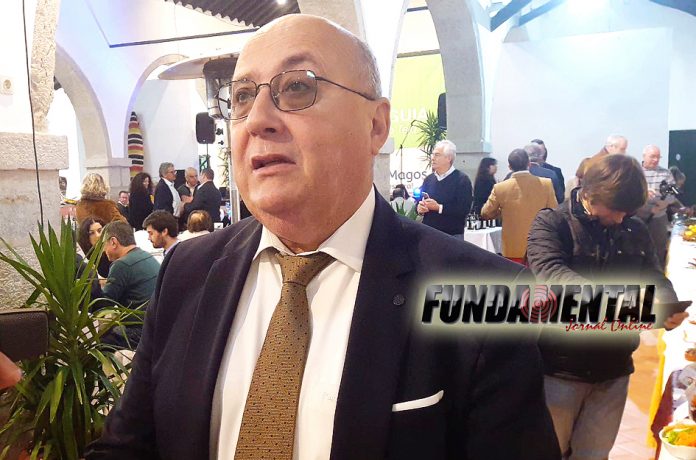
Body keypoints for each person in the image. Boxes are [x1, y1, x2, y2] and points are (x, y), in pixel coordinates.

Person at [86, 14, 559, 460]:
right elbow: (127, 447)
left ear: (376, 125)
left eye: (297, 87)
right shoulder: (187, 272)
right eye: (243, 96)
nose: (258, 119)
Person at [526, 154, 686, 460]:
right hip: (559, 365)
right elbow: (552, 274)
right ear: (591, 193)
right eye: (615, 209)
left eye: (628, 211)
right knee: (548, 451)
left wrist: (667, 302)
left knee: (594, 454)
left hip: (614, 366)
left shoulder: (634, 228)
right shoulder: (552, 223)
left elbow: (653, 275)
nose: (621, 218)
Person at [481, 149, 557, 263]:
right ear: (529, 164)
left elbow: (485, 213)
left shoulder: (500, 188)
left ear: (509, 167)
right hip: (540, 245)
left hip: (512, 248)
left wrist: (501, 211)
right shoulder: (546, 184)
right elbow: (553, 213)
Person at [100, 221, 161, 349]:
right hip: (158, 325)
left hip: (140, 331)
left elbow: (104, 303)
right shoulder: (145, 256)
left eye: (104, 245)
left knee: (102, 342)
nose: (104, 251)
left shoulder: (121, 265)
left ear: (113, 242)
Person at [417, 139, 473, 237]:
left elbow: (463, 209)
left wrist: (439, 207)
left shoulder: (462, 180)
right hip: (429, 233)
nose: (432, 158)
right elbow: (418, 200)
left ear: (448, 158)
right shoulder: (429, 179)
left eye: (437, 155)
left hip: (452, 235)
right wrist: (419, 208)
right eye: (432, 154)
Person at [636, 144, 675, 268]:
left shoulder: (666, 173)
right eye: (652, 156)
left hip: (658, 217)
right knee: (636, 247)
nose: (656, 160)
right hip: (638, 216)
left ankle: (658, 273)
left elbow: (672, 194)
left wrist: (665, 203)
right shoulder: (635, 172)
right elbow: (629, 192)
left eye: (658, 157)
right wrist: (647, 206)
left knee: (658, 247)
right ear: (644, 156)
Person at [531, 139, 565, 203]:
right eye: (535, 151)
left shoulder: (556, 172)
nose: (538, 154)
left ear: (545, 152)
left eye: (540, 151)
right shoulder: (522, 172)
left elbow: (560, 197)